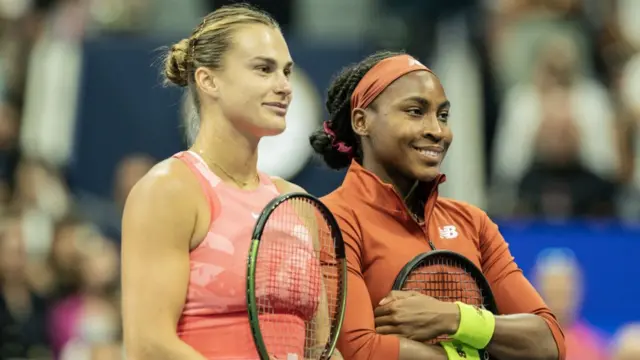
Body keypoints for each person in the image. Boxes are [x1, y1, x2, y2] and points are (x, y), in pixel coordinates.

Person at [310, 51, 566, 360]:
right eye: (416, 111)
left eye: (442, 115)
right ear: (362, 122)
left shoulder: (473, 222)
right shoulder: (330, 219)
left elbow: (549, 343)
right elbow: (358, 351)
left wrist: (452, 318)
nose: (437, 131)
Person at [121, 4, 341, 360]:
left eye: (286, 72)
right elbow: (149, 346)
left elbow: (321, 349)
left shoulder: (296, 203)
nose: (284, 87)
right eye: (263, 69)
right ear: (209, 80)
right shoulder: (169, 190)